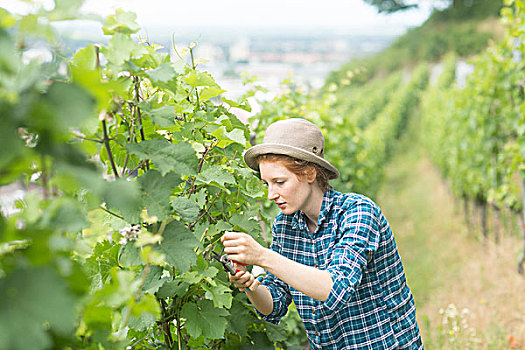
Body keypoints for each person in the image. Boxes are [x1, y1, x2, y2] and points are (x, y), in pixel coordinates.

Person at [221, 118, 423, 349]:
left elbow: (335, 288)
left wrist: (262, 256)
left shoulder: (358, 213)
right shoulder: (285, 226)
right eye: (267, 183)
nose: (271, 194)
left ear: (309, 172)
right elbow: (274, 306)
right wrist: (251, 287)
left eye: (279, 182)